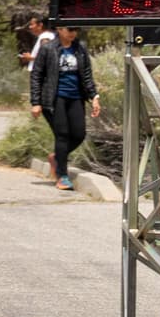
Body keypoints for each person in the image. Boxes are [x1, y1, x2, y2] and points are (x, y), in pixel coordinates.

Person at [30, 23, 100, 191]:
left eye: (76, 30)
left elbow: (87, 75)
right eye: (70, 30)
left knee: (79, 134)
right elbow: (37, 75)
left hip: (76, 97)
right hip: (54, 99)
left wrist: (94, 96)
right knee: (62, 135)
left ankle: (57, 157)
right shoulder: (48, 49)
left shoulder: (80, 49)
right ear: (59, 29)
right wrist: (36, 102)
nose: (73, 33)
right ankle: (62, 176)